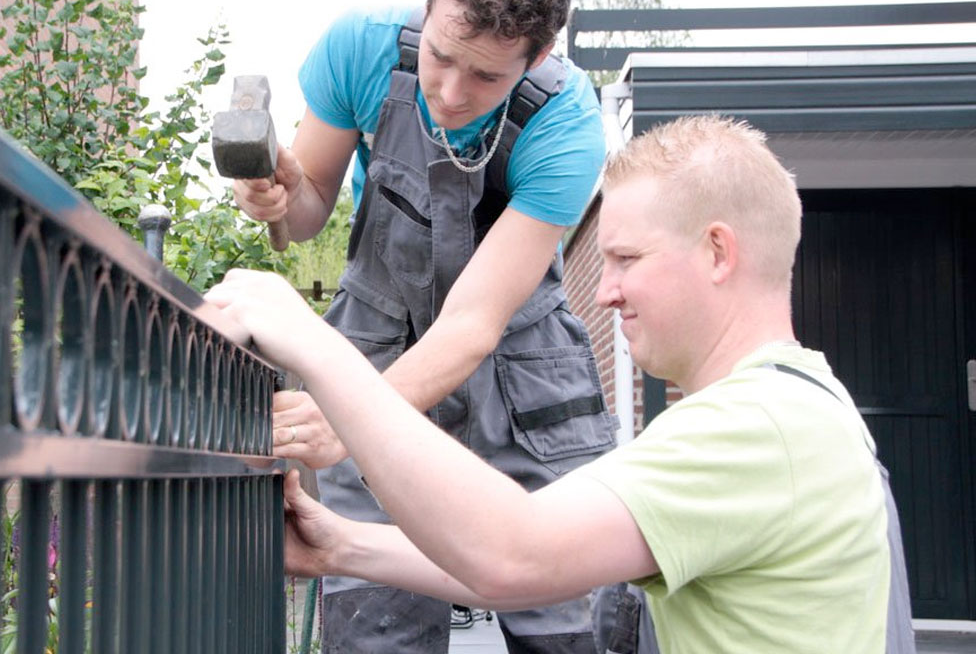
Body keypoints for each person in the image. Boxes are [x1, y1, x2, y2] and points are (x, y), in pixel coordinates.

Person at [208, 116, 907, 654]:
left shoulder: (759, 428)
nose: (603, 293)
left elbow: (515, 553)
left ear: (718, 252)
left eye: (625, 258)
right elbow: (555, 565)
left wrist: (315, 344)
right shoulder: (791, 405)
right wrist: (341, 547)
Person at [230, 0, 616, 652]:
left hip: (522, 379)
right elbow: (306, 213)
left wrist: (349, 415)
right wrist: (276, 197)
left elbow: (473, 324)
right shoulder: (360, 48)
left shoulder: (567, 125)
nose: (450, 90)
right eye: (442, 54)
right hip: (376, 339)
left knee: (569, 609)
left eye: (486, 75)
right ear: (428, 5)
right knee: (376, 618)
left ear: (536, 59)